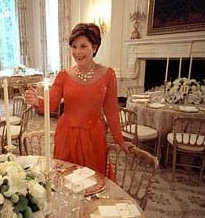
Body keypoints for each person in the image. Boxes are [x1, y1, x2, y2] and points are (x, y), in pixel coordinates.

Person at [24, 23, 133, 180]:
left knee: (93, 181)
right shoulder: (64, 75)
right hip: (67, 135)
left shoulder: (108, 75)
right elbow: (52, 104)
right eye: (74, 46)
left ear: (94, 48)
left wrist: (120, 141)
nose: (77, 52)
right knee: (66, 179)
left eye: (83, 46)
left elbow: (111, 111)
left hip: (94, 136)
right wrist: (36, 100)